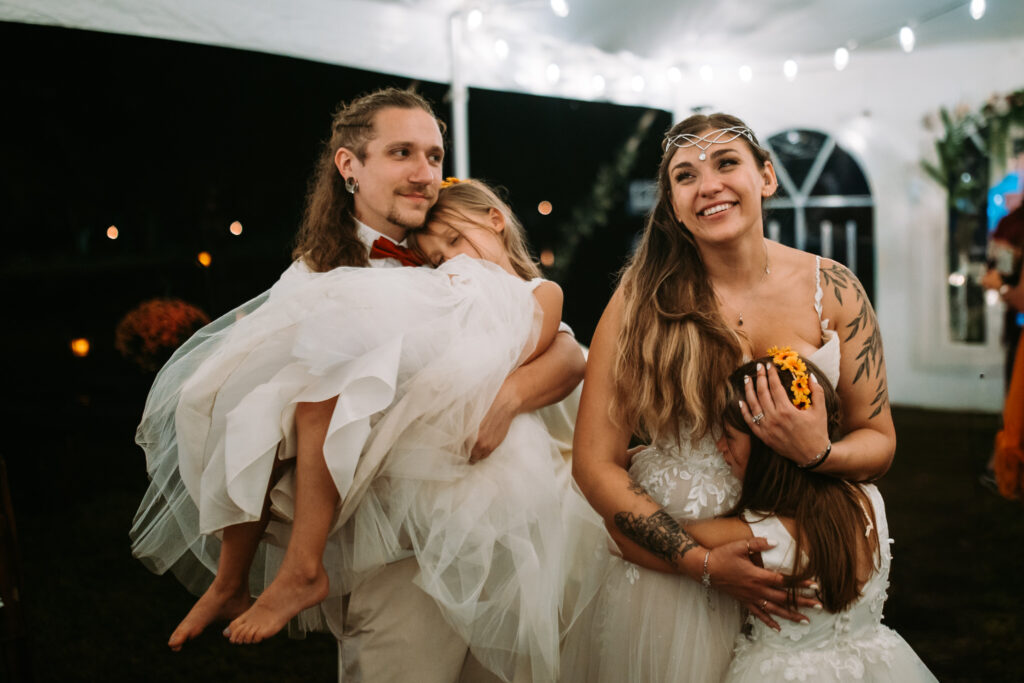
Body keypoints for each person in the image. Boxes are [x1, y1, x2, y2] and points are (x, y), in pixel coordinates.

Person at [130, 89, 585, 682]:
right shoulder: (321, 278)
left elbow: (566, 348)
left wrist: (511, 397)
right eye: (402, 153)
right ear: (350, 166)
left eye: (434, 156)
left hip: (513, 535)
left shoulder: (461, 259)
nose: (424, 174)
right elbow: (259, 408)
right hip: (398, 558)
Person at [566, 114, 896, 682]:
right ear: (671, 203)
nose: (709, 185)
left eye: (726, 163)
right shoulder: (639, 303)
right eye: (685, 175)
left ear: (765, 177)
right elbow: (594, 464)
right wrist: (700, 564)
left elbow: (879, 438)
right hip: (675, 578)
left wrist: (820, 453)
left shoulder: (835, 290)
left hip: (797, 560)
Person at [685, 349, 937, 682]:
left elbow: (634, 540)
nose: (719, 447)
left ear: (767, 446)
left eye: (729, 436)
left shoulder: (748, 534)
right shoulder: (869, 499)